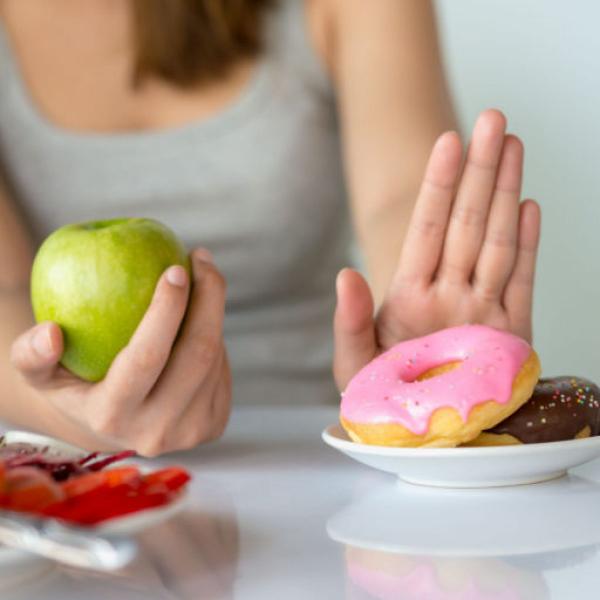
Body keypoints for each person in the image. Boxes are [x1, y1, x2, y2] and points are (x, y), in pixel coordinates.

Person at [0, 0, 540, 455]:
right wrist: (82, 419)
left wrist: (425, 332)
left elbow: (399, 199)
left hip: (322, 460)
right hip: (67, 479)